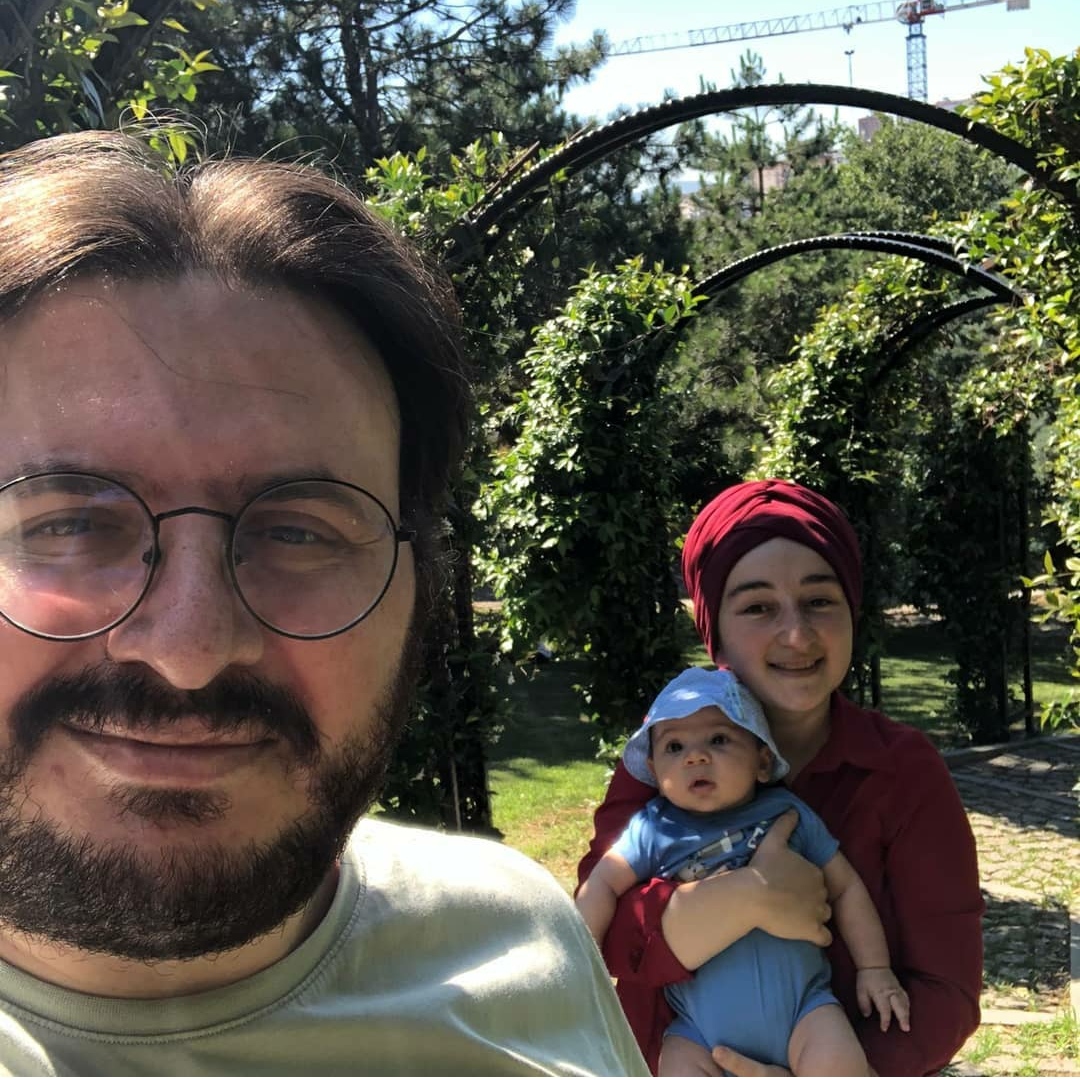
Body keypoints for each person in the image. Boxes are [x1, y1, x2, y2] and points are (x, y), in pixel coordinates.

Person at [0, 129, 648, 1076]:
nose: (189, 650)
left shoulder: (519, 942)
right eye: (67, 524)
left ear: (421, 588)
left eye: (297, 532)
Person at [577, 479, 984, 1077]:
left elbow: (945, 992)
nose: (796, 634)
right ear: (714, 628)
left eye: (819, 600)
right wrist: (746, 898)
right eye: (758, 607)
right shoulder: (666, 761)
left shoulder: (902, 770)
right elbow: (603, 937)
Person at [577, 666, 910, 1076]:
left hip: (805, 1013)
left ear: (763, 761)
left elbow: (846, 888)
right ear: (655, 772)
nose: (695, 756)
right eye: (674, 747)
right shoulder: (654, 828)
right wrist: (579, 965)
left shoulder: (787, 814)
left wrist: (875, 968)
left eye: (718, 739)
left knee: (840, 1064)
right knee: (675, 1065)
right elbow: (603, 883)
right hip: (698, 1034)